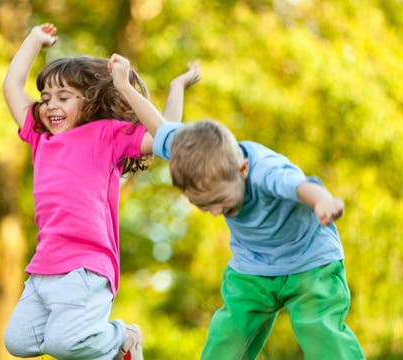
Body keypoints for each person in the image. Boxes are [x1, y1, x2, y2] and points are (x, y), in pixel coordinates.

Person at [109, 54, 365, 359]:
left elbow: (301, 186)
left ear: (243, 170)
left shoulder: (265, 171)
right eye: (203, 206)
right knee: (228, 334)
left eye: (221, 202)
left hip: (310, 262)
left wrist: (323, 201)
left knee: (320, 330)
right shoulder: (195, 155)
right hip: (253, 267)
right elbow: (160, 126)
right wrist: (125, 85)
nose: (216, 212)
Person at [2, 23, 156, 360]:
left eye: (63, 97)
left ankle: (123, 337)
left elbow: (162, 137)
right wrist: (32, 40)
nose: (51, 105)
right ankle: (109, 349)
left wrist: (125, 87)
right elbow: (12, 86)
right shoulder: (39, 137)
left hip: (86, 266)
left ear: (87, 102)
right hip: (44, 265)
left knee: (64, 344)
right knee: (17, 342)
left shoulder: (106, 135)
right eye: (45, 99)